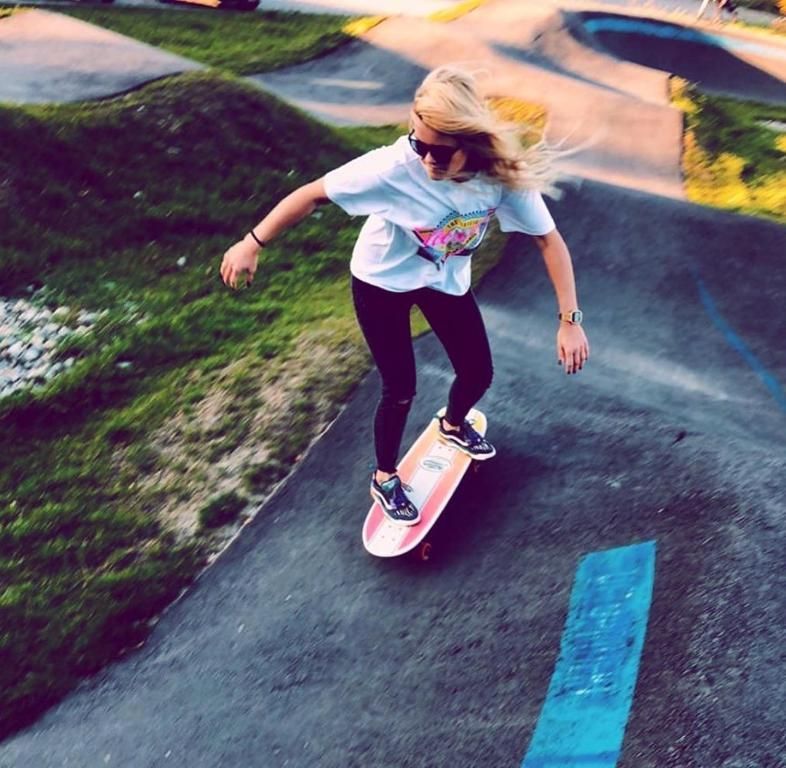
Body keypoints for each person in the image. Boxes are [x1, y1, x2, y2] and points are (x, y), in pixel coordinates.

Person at [220, 66, 590, 527]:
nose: (427, 159)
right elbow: (313, 194)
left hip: (443, 282)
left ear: (469, 144)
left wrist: (569, 319)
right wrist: (252, 242)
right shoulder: (393, 167)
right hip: (381, 283)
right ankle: (384, 476)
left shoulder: (500, 180)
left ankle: (453, 425)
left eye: (441, 151)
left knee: (478, 372)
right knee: (400, 388)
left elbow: (549, 241)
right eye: (419, 143)